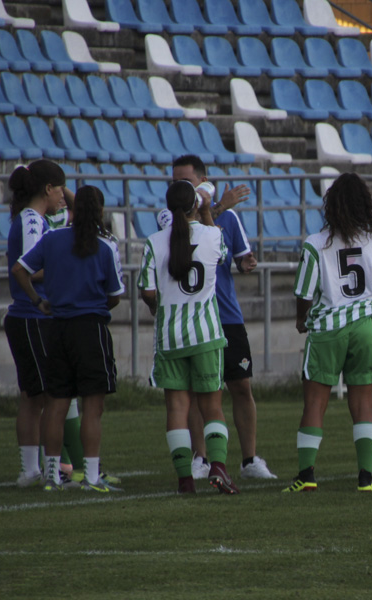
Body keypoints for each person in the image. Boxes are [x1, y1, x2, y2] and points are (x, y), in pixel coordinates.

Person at [169, 155, 277, 480]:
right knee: (196, 391)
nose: (180, 187)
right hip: (193, 317)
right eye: (176, 182)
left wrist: (247, 263)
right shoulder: (169, 217)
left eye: (186, 181)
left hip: (226, 315)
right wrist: (216, 208)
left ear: (203, 180)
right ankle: (201, 458)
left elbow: (241, 257)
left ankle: (249, 460)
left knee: (241, 386)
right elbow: (188, 235)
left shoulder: (228, 217)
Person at [12, 185, 126, 492]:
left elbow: (20, 269)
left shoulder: (52, 239)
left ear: (72, 211)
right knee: (92, 407)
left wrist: (39, 301)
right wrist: (97, 304)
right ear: (100, 213)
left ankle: (51, 476)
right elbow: (115, 295)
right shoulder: (103, 247)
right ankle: (90, 476)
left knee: (56, 405)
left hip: (58, 327)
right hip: (90, 329)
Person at [285, 172, 372, 492]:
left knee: (315, 405)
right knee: (364, 406)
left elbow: (303, 293)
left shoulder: (315, 243)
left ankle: (306, 476)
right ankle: (366, 477)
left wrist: (301, 320)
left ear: (331, 206)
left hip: (328, 329)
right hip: (363, 329)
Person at [139, 180, 240, 494]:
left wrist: (158, 307)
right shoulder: (212, 235)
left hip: (171, 338)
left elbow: (148, 291)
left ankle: (185, 480)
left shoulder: (155, 241)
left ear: (169, 208)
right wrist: (210, 212)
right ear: (196, 204)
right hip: (207, 334)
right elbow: (223, 256)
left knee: (177, 410)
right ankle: (219, 467)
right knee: (212, 407)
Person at [4, 160, 65, 487]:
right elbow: (29, 267)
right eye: (59, 189)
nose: (62, 197)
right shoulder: (31, 220)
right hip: (32, 316)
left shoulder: (34, 218)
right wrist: (64, 267)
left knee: (33, 396)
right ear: (47, 189)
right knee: (45, 395)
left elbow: (74, 205)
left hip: (27, 317)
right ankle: (40, 470)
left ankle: (31, 470)